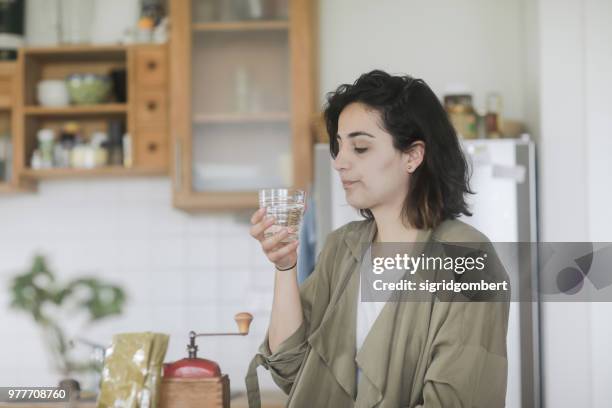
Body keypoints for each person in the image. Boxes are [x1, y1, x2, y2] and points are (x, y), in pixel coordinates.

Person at [245, 70, 510, 407]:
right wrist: (285, 267)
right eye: (338, 147)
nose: (340, 162)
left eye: (360, 147)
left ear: (413, 155)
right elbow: (291, 369)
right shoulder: (342, 248)